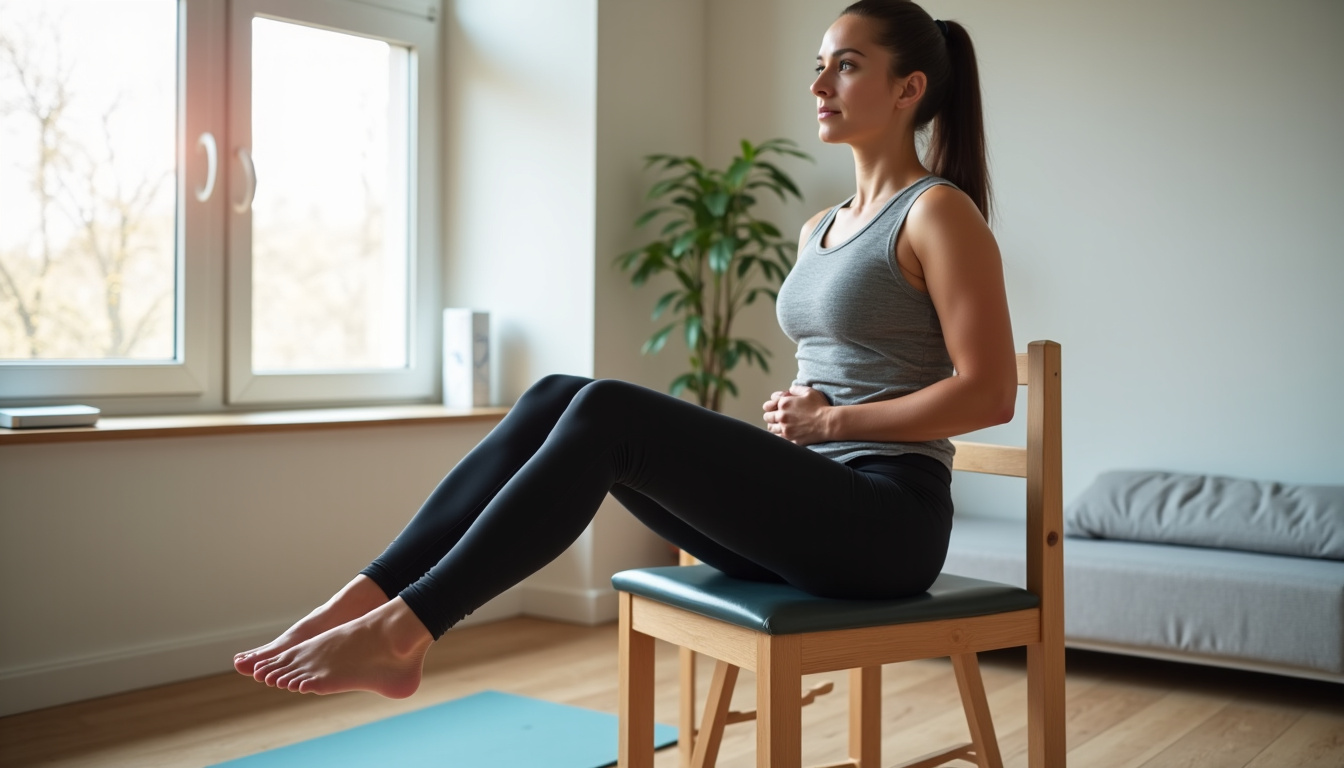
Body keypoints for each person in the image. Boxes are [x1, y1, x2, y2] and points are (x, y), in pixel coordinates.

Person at [233, 0, 1016, 698]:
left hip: (888, 522)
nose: (818, 85)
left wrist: (834, 426)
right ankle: (366, 599)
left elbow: (991, 393)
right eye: (818, 66)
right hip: (815, 509)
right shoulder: (820, 227)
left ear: (909, 88)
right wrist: (808, 427)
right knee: (553, 395)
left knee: (608, 412)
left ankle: (405, 631)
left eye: (846, 66)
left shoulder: (938, 213)